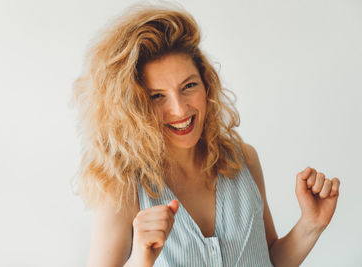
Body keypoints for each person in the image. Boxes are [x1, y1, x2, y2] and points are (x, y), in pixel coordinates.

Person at [71, 2, 340, 267]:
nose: (179, 109)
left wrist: (311, 224)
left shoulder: (243, 159)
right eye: (157, 96)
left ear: (206, 84)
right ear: (134, 107)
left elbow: (268, 259)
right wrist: (140, 259)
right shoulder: (122, 186)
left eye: (188, 86)